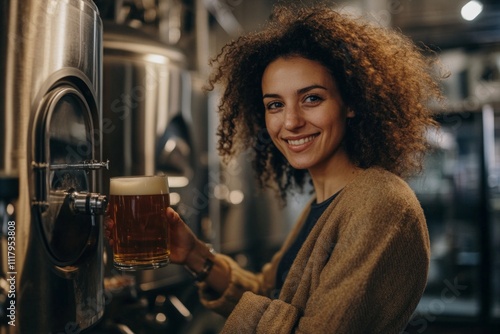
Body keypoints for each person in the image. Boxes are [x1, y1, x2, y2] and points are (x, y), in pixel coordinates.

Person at [107, 3, 444, 333]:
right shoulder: (326, 202)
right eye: (275, 105)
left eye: (312, 98)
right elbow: (270, 293)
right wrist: (194, 254)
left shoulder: (379, 202)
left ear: (352, 102)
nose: (291, 122)